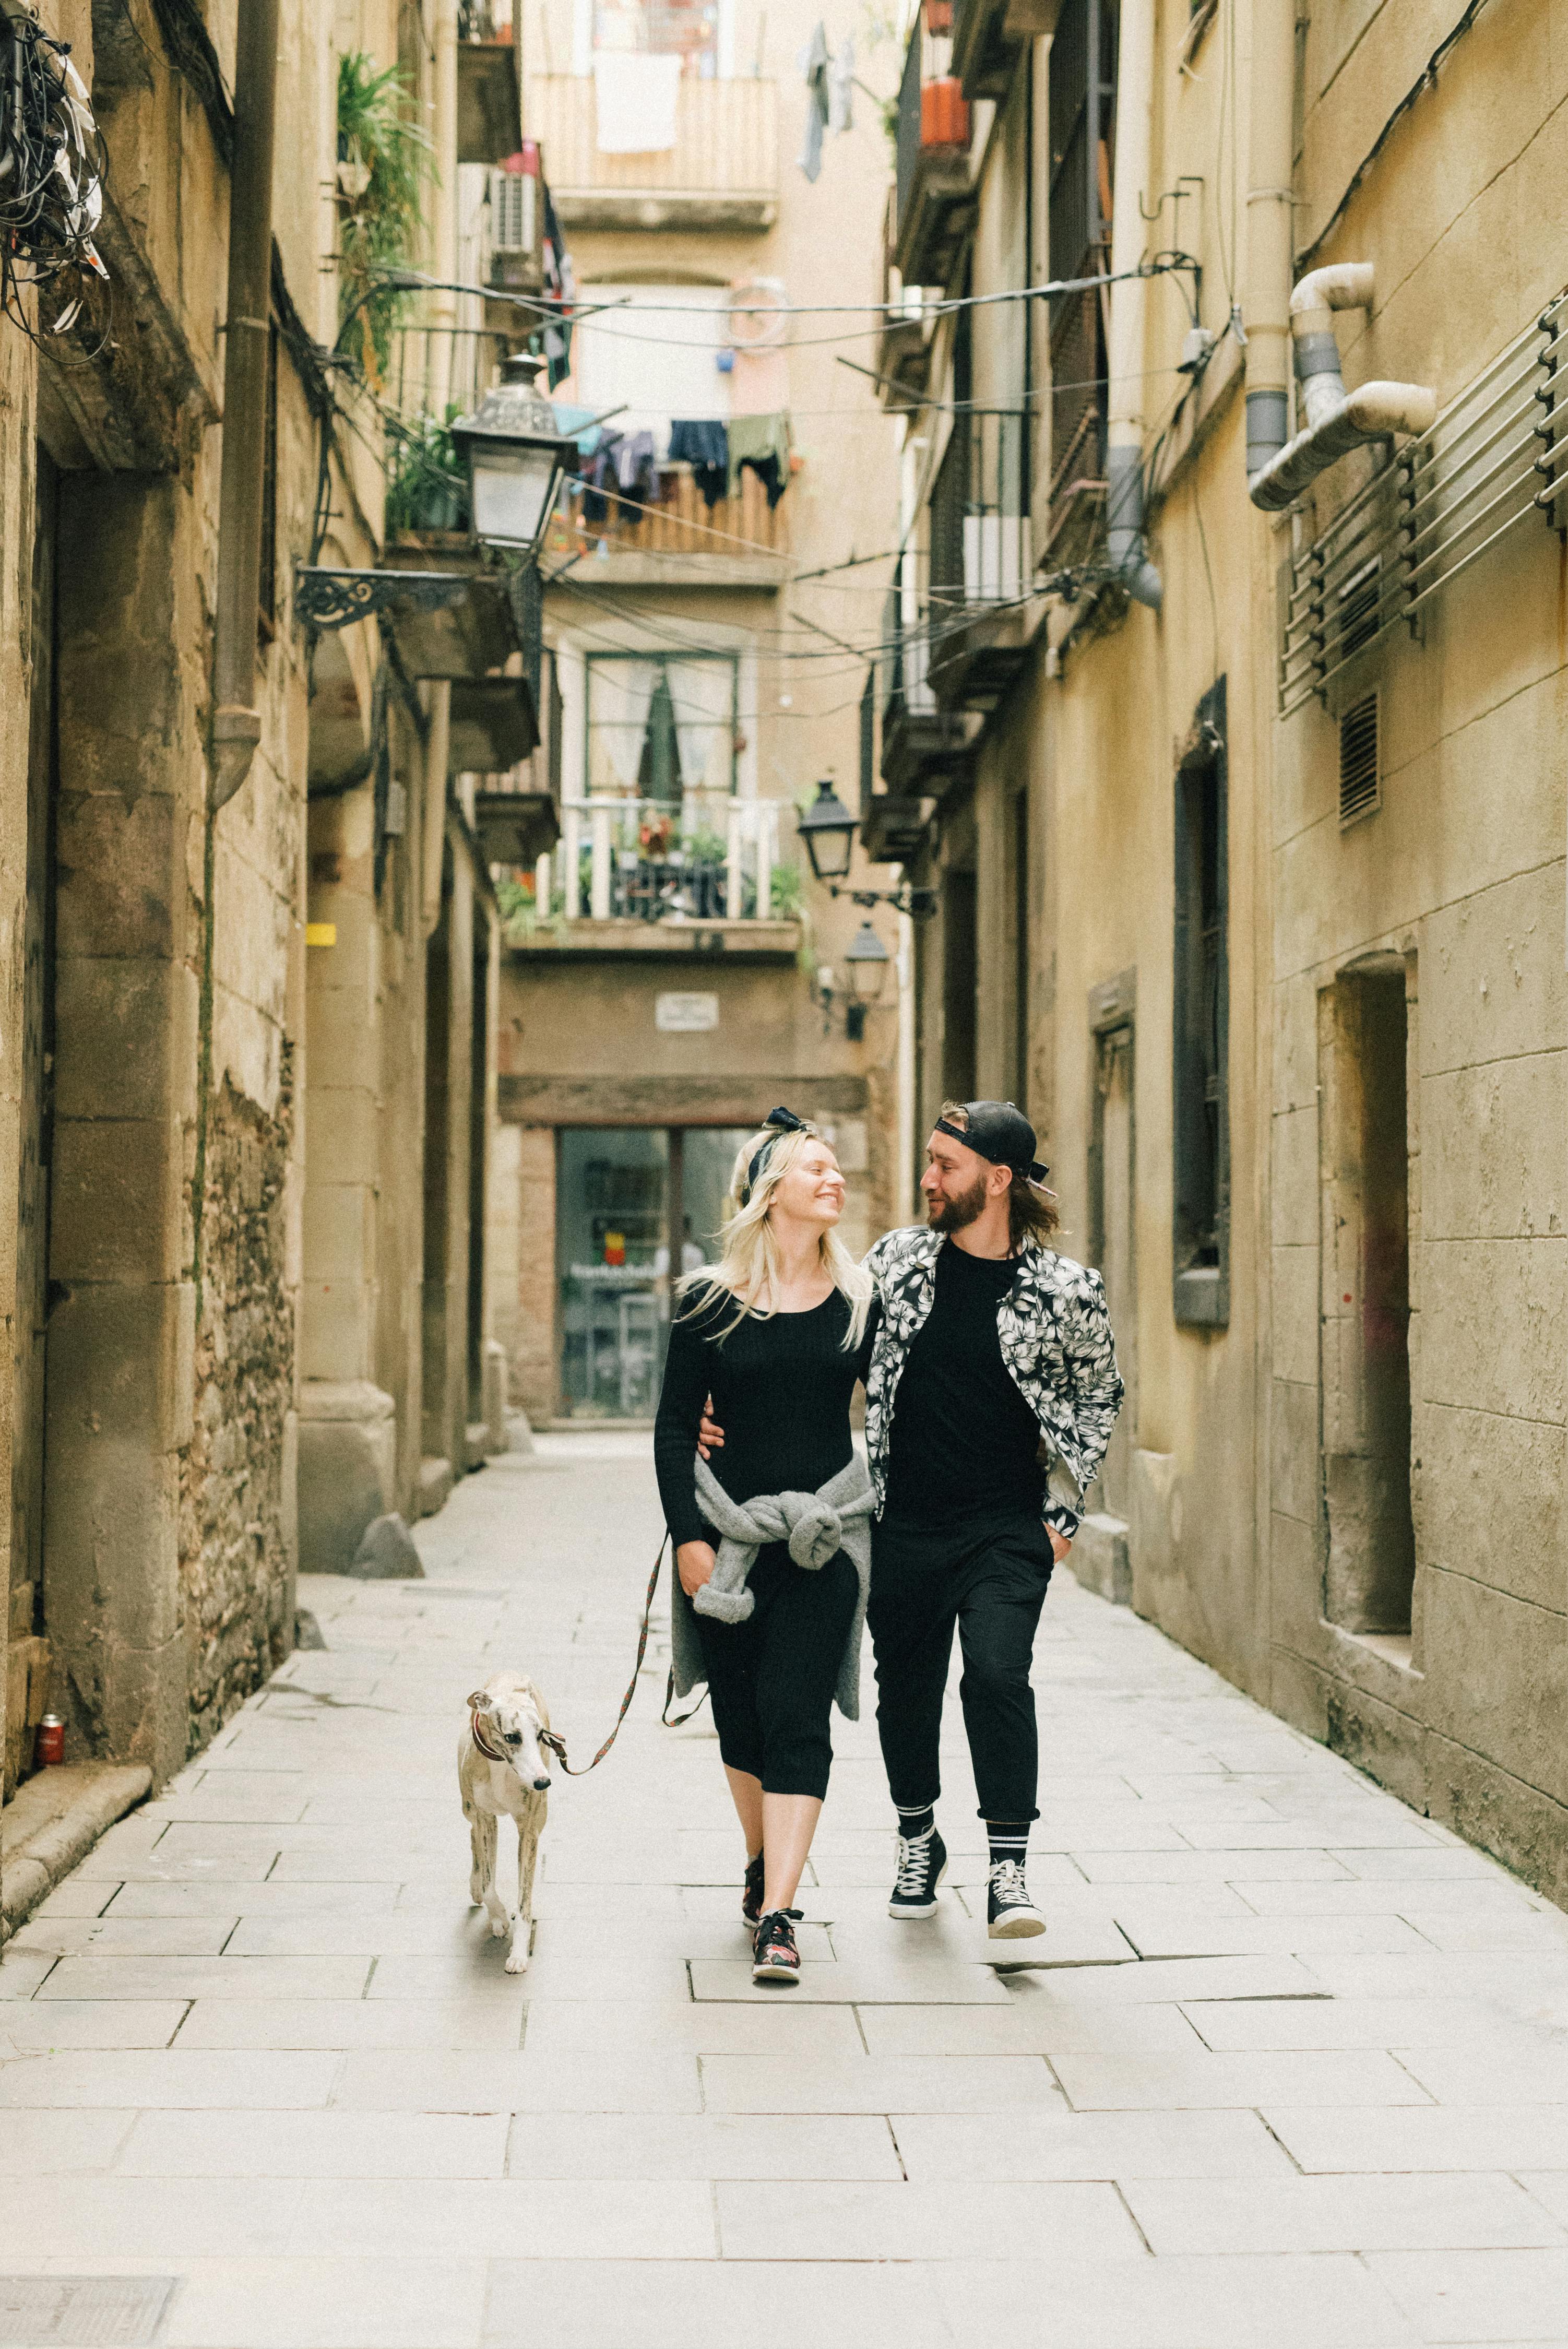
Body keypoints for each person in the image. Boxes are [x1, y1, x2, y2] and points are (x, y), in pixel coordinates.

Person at [702, 1100, 1123, 1942]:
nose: (928, 1179)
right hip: (900, 1524)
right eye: (929, 1161)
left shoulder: (1067, 1290)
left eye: (946, 1166)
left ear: (998, 1182)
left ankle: (1009, 1869)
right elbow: (819, 1337)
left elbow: (1097, 1394)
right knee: (909, 1692)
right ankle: (917, 1836)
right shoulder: (898, 1264)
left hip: (1007, 1527)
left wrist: (1063, 1514)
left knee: (997, 1677)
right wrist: (724, 1399)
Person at [654, 1107, 877, 1986]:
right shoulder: (707, 1302)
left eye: (837, 1170)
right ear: (770, 1191)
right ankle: (760, 1860)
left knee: (797, 1717)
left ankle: (780, 1913)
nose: (836, 1180)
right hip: (728, 1540)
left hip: (825, 1544)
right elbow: (675, 1428)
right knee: (741, 1719)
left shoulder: (864, 1303)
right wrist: (688, 1540)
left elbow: (893, 1418)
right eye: (817, 1168)